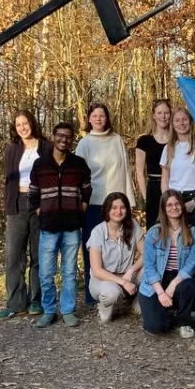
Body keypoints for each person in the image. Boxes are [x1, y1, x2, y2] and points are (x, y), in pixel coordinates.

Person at [28, 123, 92, 328]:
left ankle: (67, 310)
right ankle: (48, 310)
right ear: (53, 136)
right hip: (48, 226)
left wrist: (81, 207)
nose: (63, 140)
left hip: (72, 226)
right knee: (46, 272)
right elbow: (33, 192)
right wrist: (40, 210)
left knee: (69, 271)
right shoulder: (40, 164)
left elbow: (87, 189)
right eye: (60, 135)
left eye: (68, 137)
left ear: (72, 140)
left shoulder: (78, 164)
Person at [75, 103, 135, 308]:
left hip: (118, 203)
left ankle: (123, 287)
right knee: (92, 247)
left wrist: (130, 201)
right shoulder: (84, 143)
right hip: (93, 203)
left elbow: (126, 170)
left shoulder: (117, 140)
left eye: (102, 115)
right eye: (95, 115)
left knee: (122, 244)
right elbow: (77, 176)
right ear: (89, 119)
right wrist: (79, 202)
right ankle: (94, 293)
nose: (99, 119)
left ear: (107, 118)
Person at [0, 110, 43, 321]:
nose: (23, 127)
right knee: (14, 255)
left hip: (40, 205)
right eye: (18, 125)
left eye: (25, 123)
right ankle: (15, 302)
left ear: (32, 123)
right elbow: (9, 181)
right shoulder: (12, 150)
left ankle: (36, 300)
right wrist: (8, 205)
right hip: (17, 205)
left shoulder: (46, 147)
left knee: (38, 255)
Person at [139, 190, 195, 338]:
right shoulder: (153, 233)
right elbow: (149, 266)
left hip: (180, 279)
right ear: (163, 209)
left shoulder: (193, 232)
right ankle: (159, 311)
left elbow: (192, 263)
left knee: (191, 286)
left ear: (182, 205)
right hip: (155, 281)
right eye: (169, 205)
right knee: (156, 327)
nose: (174, 207)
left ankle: (184, 321)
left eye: (177, 203)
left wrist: (173, 285)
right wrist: (161, 292)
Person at [86, 192, 145, 324]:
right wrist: (123, 282)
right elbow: (96, 270)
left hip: (127, 275)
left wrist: (131, 271)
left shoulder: (133, 226)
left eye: (122, 207)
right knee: (111, 296)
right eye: (114, 207)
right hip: (104, 280)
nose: (118, 211)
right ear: (107, 210)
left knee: (152, 266)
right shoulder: (98, 232)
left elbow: (146, 255)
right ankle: (104, 307)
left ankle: (136, 304)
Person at [160, 107, 195, 241]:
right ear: (172, 124)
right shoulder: (169, 148)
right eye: (177, 120)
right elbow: (165, 178)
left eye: (184, 119)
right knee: (174, 243)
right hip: (174, 199)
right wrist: (166, 200)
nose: (181, 123)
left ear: (191, 122)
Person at [134, 99, 173, 229]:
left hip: (174, 187)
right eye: (159, 112)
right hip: (153, 190)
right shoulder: (144, 140)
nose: (163, 116)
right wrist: (146, 197)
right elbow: (139, 172)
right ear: (153, 115)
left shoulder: (176, 139)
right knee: (155, 229)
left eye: (166, 113)